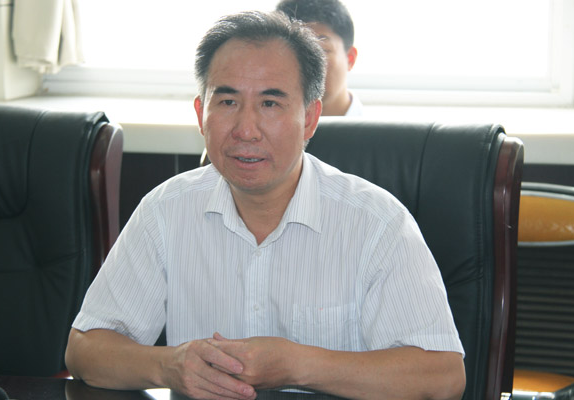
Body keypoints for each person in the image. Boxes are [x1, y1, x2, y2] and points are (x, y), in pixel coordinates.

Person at [65, 11, 465, 400]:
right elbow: (84, 350)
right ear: (201, 115)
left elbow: (442, 377)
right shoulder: (165, 211)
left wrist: (298, 365)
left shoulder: (377, 223)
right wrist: (170, 366)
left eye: (270, 104)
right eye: (227, 102)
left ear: (310, 118)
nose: (246, 130)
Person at [276, 0, 362, 116]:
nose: (307, 64)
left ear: (350, 58)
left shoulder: (381, 127)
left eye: (322, 50)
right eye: (296, 53)